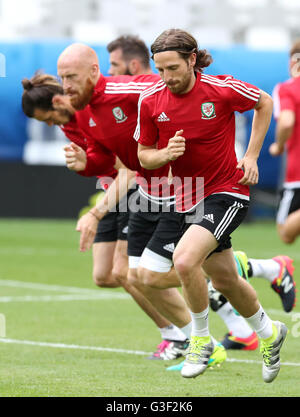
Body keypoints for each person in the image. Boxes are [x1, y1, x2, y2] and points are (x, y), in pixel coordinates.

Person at [136, 28, 288, 382]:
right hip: (186, 196)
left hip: (227, 190)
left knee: (185, 260)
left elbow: (264, 102)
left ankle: (201, 341)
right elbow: (144, 155)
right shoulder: (151, 100)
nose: (167, 77)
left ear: (192, 60)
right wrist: (165, 154)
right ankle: (269, 333)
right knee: (227, 279)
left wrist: (251, 156)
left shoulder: (221, 88)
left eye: (173, 68)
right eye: (160, 70)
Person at [21, 72, 192, 359]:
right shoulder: (72, 123)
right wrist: (85, 164)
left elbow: (128, 168)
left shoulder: (100, 108)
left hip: (135, 188)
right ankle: (183, 319)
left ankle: (184, 330)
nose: (50, 124)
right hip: (113, 187)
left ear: (59, 102)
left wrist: (95, 213)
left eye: (47, 117)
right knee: (104, 275)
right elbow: (103, 163)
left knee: (129, 272)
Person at [270, 39, 300, 250]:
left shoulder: (287, 88)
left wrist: (279, 145)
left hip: (297, 172)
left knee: (285, 232)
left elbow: (287, 121)